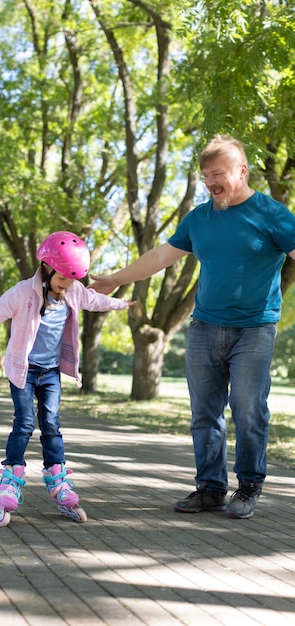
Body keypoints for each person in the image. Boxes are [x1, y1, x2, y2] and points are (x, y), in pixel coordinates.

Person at [90, 134, 295, 519]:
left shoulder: (273, 215)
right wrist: (117, 278)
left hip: (254, 328)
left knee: (248, 408)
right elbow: (161, 256)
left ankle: (249, 486)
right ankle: (210, 489)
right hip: (204, 327)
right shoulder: (199, 218)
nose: (210, 183)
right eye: (205, 176)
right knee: (204, 413)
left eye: (218, 174)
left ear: (242, 170)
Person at [0, 231, 134, 527]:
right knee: (24, 422)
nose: (68, 285)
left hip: (50, 371)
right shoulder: (23, 293)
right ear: (47, 269)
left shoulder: (73, 292)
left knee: (51, 422)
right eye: (63, 278)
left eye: (73, 279)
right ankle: (10, 481)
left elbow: (97, 300)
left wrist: (122, 304)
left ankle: (58, 480)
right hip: (23, 369)